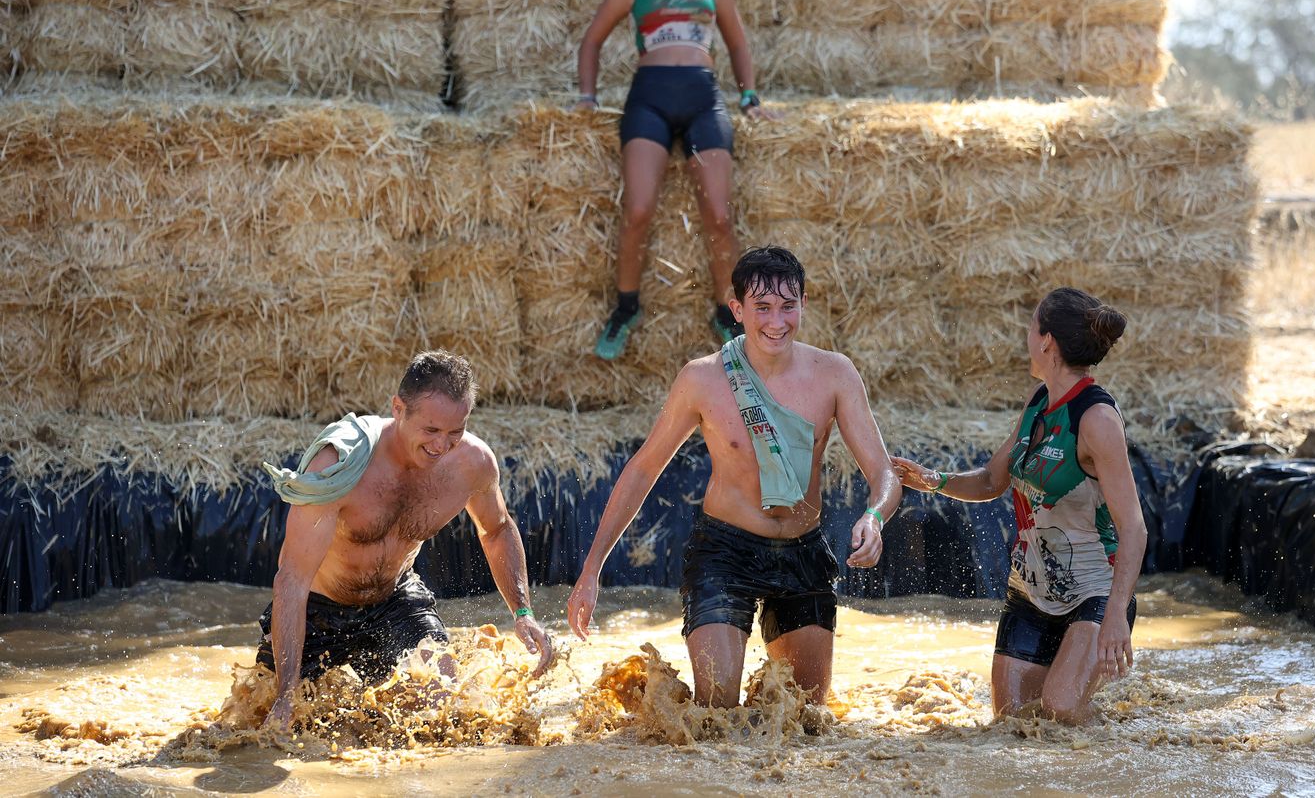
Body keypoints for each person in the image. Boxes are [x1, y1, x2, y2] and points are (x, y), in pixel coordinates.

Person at [565, 246, 902, 707]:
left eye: (788, 306)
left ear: (804, 303)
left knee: (802, 716)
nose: (776, 321)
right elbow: (643, 468)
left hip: (803, 551)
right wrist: (591, 570)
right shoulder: (702, 379)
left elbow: (884, 472)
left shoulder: (836, 374)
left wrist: (875, 516)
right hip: (725, 553)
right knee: (715, 714)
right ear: (737, 309)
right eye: (762, 307)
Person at [256, 351, 553, 729]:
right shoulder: (338, 465)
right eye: (431, 431)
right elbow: (292, 579)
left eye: (455, 432)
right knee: (274, 726)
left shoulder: (473, 464)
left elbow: (496, 529)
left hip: (395, 603)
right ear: (398, 408)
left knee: (450, 714)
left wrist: (523, 613)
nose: (442, 446)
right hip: (319, 610)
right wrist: (284, 697)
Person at [891, 288, 1146, 724]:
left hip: (1093, 595)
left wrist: (1116, 617)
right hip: (1029, 592)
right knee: (1013, 725)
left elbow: (1135, 529)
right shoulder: (1038, 402)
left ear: (1046, 341)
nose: (1026, 335)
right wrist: (934, 482)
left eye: (1031, 325)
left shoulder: (1096, 419)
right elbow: (993, 480)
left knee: (1060, 711)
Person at [574, 0, 775, 360]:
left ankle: (729, 315)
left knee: (720, 217)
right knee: (639, 209)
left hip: (704, 100)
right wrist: (587, 96)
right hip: (650, 101)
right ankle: (626, 308)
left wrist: (749, 96)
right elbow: (592, 40)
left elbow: (738, 43)